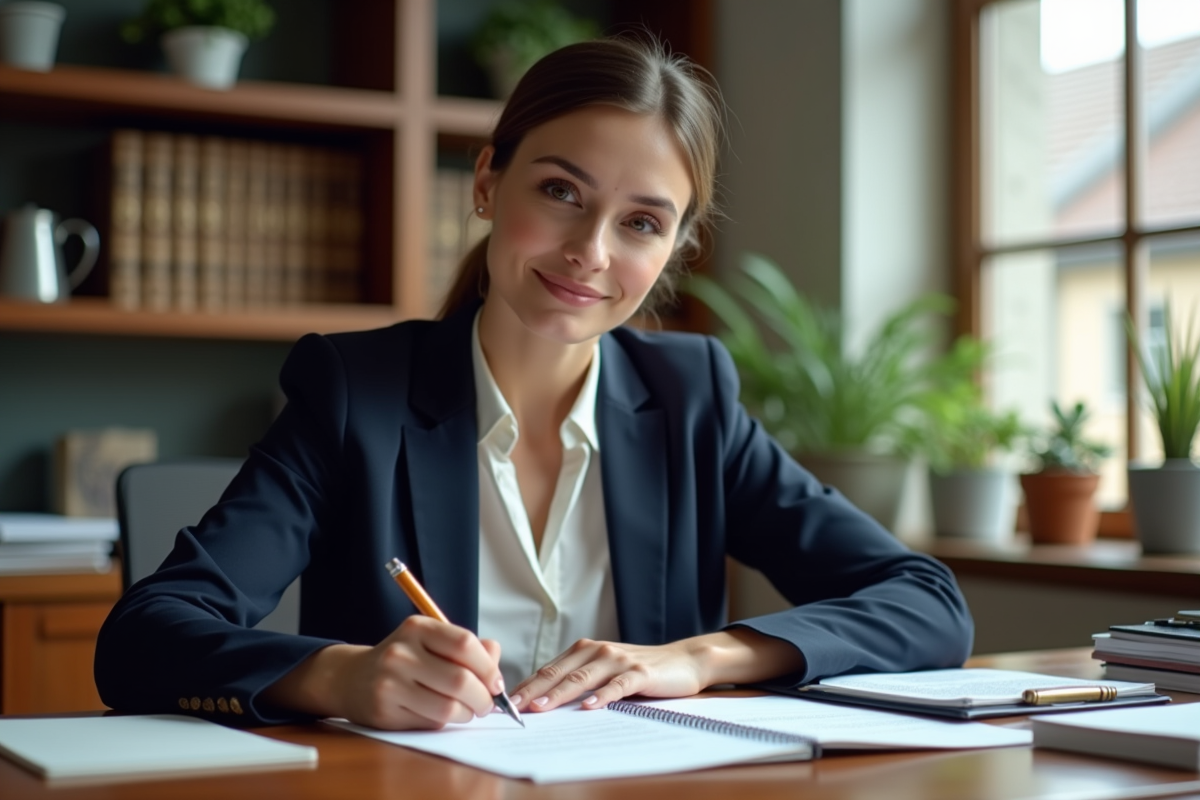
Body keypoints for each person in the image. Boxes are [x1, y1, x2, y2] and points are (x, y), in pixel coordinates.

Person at [94, 35, 972, 731]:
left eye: (640, 222)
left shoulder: (690, 398)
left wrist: (700, 659)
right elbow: (143, 638)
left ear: (673, 249)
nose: (591, 252)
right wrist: (341, 674)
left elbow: (927, 604)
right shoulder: (357, 391)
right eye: (560, 191)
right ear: (487, 182)